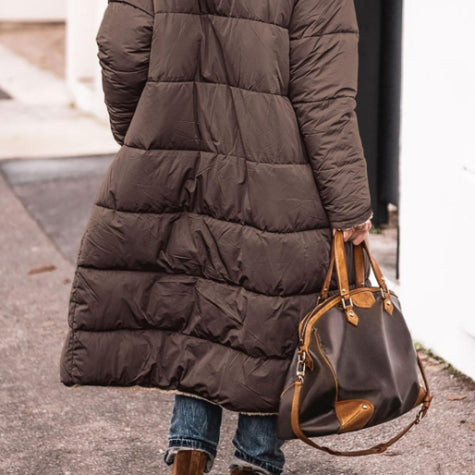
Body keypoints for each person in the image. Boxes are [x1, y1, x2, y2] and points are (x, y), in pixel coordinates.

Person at [59, 1, 373, 474]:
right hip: (275, 173)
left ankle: (189, 450)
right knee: (267, 312)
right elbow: (324, 97)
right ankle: (255, 460)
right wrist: (349, 202)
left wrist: (142, 132)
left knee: (198, 301)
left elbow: (120, 46)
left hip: (179, 156)